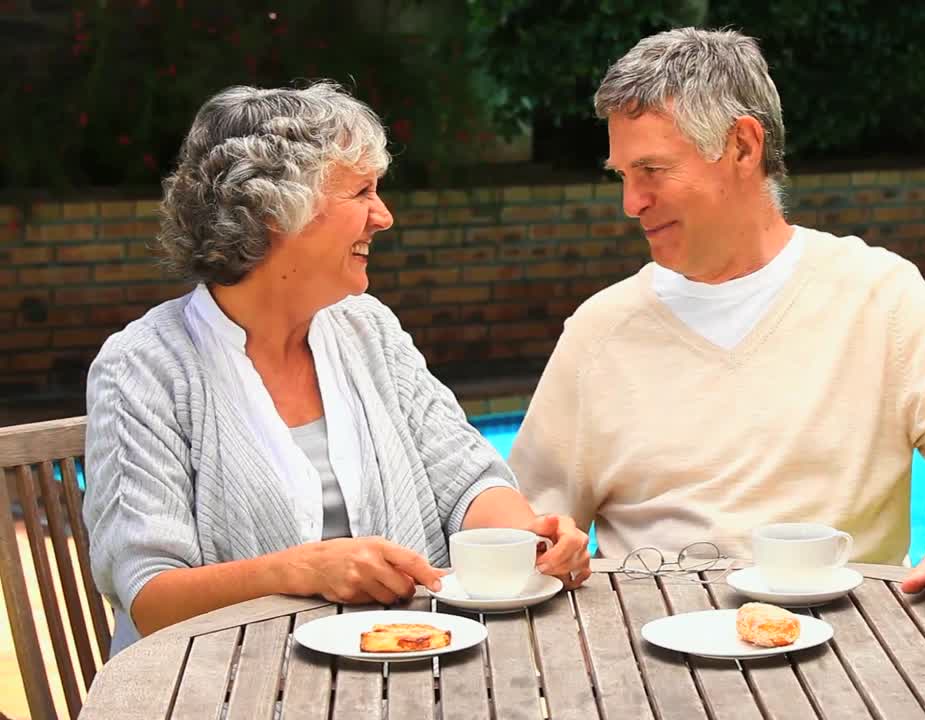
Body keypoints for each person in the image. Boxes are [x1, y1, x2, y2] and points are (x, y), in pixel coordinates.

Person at [509, 29, 925, 621]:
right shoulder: (600, 331)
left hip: (857, 657)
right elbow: (526, 526)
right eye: (623, 174)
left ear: (744, 147)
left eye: (653, 169)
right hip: (652, 658)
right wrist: (542, 546)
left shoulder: (878, 295)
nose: (631, 202)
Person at [83, 82, 590, 655]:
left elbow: (466, 479)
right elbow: (150, 597)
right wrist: (299, 571)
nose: (385, 216)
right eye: (362, 192)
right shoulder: (143, 368)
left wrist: (525, 538)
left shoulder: (368, 328)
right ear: (276, 211)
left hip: (400, 665)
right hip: (219, 689)